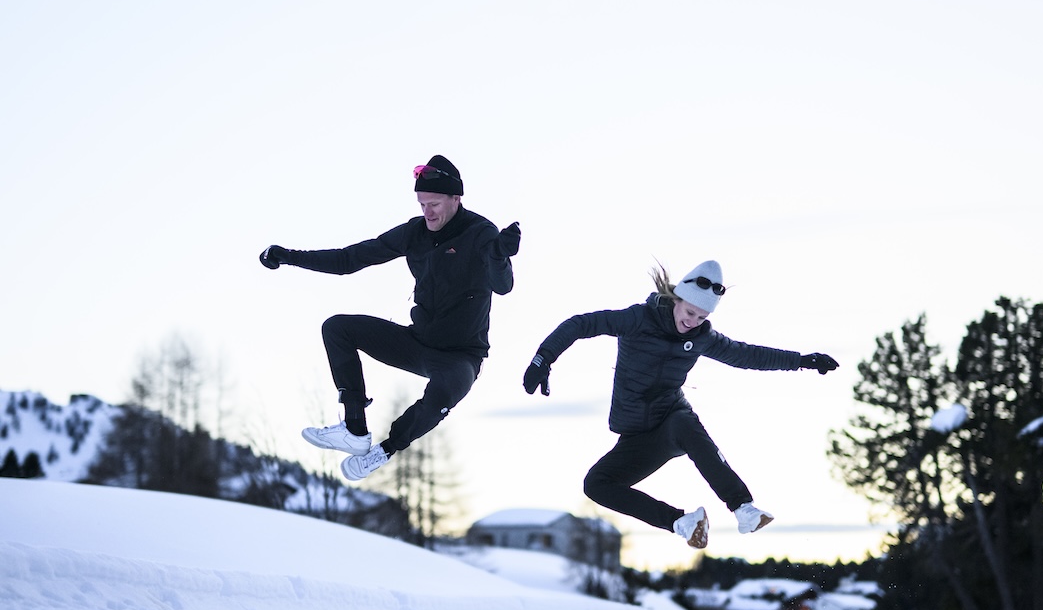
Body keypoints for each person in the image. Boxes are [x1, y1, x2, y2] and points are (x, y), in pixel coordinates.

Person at [521, 260, 838, 549]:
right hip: (636, 435)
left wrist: (802, 361)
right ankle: (682, 522)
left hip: (671, 418)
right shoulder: (637, 319)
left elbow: (746, 355)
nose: (693, 322)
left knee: (683, 421)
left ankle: (743, 508)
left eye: (702, 317)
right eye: (689, 313)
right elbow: (581, 324)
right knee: (597, 485)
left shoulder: (703, 337)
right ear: (676, 299)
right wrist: (543, 359)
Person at [260, 155, 520, 481]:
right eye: (422, 204)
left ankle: (384, 451)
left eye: (435, 204)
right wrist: (290, 257)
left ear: (456, 199)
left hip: (460, 358)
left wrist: (499, 255)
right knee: (338, 327)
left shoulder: (480, 234)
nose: (428, 212)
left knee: (443, 390)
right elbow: (350, 259)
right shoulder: (415, 232)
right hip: (419, 343)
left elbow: (503, 286)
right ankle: (354, 428)